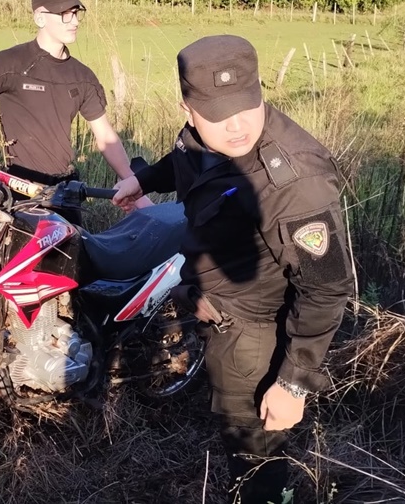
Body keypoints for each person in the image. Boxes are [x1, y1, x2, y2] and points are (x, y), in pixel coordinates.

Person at [111, 35, 354, 504]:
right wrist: (144, 179)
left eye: (246, 106)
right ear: (189, 111)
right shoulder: (204, 138)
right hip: (216, 308)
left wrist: (292, 382)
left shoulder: (293, 182)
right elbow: (186, 158)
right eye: (219, 114)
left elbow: (325, 289)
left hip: (252, 334)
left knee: (252, 448)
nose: (237, 125)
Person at [0, 0, 151, 224]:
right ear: (40, 18)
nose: (74, 21)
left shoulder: (83, 77)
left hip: (65, 193)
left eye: (76, 13)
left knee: (75, 248)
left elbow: (106, 136)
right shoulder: (8, 63)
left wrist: (136, 190)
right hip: (18, 193)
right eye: (65, 14)